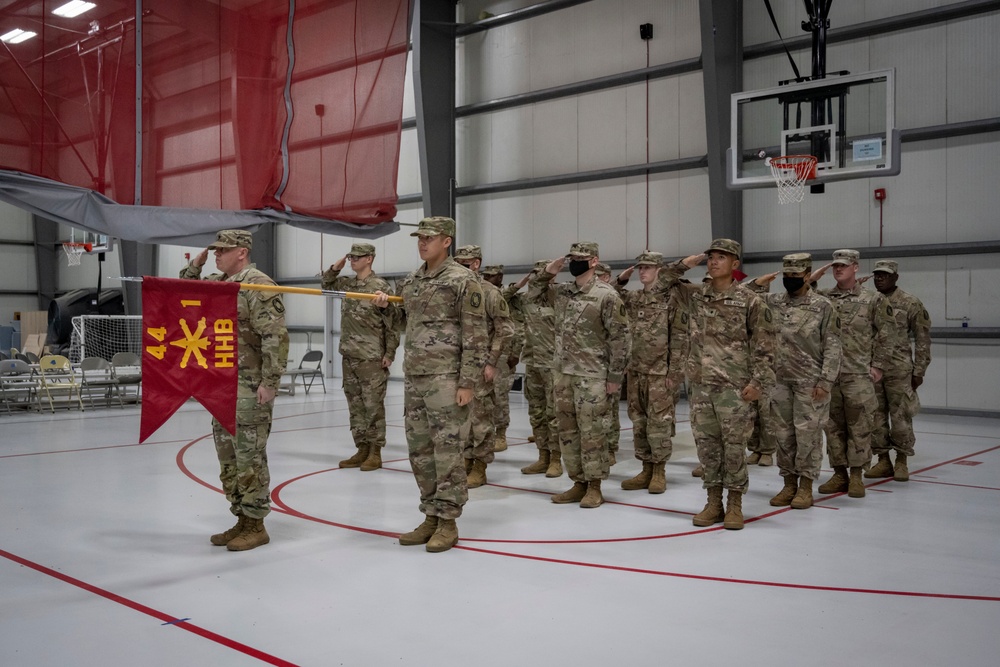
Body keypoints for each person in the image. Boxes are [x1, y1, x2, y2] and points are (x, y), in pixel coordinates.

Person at [372, 217, 488, 553]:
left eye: (429, 238)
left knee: (447, 451)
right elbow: (405, 322)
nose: (422, 243)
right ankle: (430, 515)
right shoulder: (412, 280)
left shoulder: (463, 280)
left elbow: (476, 335)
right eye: (419, 237)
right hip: (416, 379)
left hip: (447, 379)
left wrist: (468, 382)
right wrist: (383, 309)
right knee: (420, 451)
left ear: (446, 241)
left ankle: (448, 522)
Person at [180, 229, 289, 551]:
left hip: (249, 386)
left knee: (249, 457)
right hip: (222, 386)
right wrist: (195, 266)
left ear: (241, 252)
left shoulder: (258, 285)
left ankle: (256, 524)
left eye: (222, 250)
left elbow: (275, 337)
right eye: (214, 251)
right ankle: (240, 517)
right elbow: (185, 291)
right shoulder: (221, 284)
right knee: (227, 457)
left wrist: (270, 383)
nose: (216, 254)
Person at [661, 240, 775, 530]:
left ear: (735, 264)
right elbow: (663, 279)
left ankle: (735, 503)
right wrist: (687, 262)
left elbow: (765, 346)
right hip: (701, 387)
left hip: (734, 389)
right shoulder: (696, 296)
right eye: (711, 257)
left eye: (721, 257)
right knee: (707, 448)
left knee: (734, 448)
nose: (713, 261)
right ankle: (714, 502)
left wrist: (758, 382)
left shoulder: (750, 301)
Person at [529, 242, 630, 508]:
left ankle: (594, 486)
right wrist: (548, 272)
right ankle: (578, 482)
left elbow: (620, 339)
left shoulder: (606, 295)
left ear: (594, 261)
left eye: (580, 258)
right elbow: (533, 294)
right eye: (571, 258)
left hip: (593, 375)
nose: (574, 262)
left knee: (592, 432)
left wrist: (615, 377)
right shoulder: (563, 292)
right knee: (568, 432)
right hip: (563, 374)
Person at [750, 254, 841, 510]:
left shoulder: (823, 306)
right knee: (783, 435)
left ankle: (805, 487)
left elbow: (833, 346)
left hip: (810, 383)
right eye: (786, 275)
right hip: (780, 382)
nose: (790, 279)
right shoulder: (773, 301)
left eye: (795, 275)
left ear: (807, 273)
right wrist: (759, 281)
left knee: (808, 436)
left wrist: (826, 381)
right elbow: (742, 295)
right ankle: (788, 483)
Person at [809, 249, 894, 498]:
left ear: (855, 267)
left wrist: (878, 365)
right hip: (829, 375)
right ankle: (839, 474)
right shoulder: (824, 298)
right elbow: (800, 294)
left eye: (843, 265)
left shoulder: (872, 300)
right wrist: (814, 277)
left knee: (860, 426)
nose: (838, 269)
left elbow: (888, 334)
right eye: (835, 265)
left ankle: (857, 475)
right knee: (832, 426)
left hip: (858, 374)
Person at [321, 243, 400, 472]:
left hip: (371, 357)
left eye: (357, 257)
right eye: (351, 256)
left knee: (373, 405)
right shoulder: (347, 283)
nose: (352, 260)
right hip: (349, 355)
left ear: (369, 259)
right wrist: (335, 268)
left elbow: (393, 324)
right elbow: (326, 285)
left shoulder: (380, 286)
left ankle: (375, 452)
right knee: (355, 405)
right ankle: (362, 448)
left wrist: (389, 353)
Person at [614, 251, 685, 494]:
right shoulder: (634, 298)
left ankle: (659, 471)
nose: (642, 271)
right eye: (640, 267)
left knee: (659, 423)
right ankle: (645, 467)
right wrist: (621, 279)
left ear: (659, 270)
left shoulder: (671, 299)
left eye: (648, 267)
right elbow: (611, 294)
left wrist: (674, 372)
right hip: (636, 371)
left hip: (659, 372)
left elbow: (679, 338)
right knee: (639, 422)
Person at [453, 247, 514, 488]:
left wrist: (491, 361)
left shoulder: (489, 292)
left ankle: (480, 466)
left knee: (480, 419)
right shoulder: (453, 292)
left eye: (465, 263)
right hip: (456, 365)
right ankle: (465, 461)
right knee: (461, 419)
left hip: (480, 367)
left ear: (476, 264)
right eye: (457, 262)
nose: (461, 267)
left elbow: (505, 329)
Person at [868, 260, 932, 482]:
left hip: (899, 369)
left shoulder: (910, 302)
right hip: (873, 368)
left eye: (885, 275)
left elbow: (923, 338)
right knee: (875, 416)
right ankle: (883, 460)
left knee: (901, 416)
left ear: (896, 277)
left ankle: (902, 461)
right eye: (877, 275)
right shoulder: (868, 301)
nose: (879, 278)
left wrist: (920, 369)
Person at [508, 261, 562, 477]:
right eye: (535, 273)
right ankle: (543, 457)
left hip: (553, 365)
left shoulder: (560, 296)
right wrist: (519, 283)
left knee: (554, 414)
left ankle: (556, 459)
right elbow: (503, 299)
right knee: (537, 413)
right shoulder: (525, 299)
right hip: (532, 363)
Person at [484, 264, 521, 453]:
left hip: (502, 355)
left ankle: (501, 433)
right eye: (487, 275)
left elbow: (514, 328)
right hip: (484, 352)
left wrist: (515, 353)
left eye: (493, 276)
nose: (489, 278)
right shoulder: (481, 295)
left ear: (500, 277)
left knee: (499, 395)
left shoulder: (505, 299)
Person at [594, 262, 622, 464]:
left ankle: (611, 447)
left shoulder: (613, 297)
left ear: (606, 277)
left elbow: (620, 337)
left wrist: (617, 369)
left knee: (610, 409)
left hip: (609, 363)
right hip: (592, 365)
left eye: (600, 275)